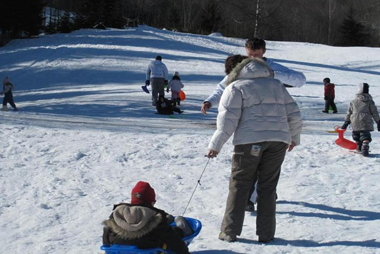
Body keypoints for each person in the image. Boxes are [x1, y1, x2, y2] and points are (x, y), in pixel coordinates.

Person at [206, 56, 302, 243]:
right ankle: (266, 234)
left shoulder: (235, 87)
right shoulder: (276, 85)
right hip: (278, 141)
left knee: (239, 184)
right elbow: (294, 113)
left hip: (249, 143)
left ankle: (229, 231)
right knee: (267, 187)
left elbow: (227, 121)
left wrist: (215, 145)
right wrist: (293, 137)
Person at [201, 37, 306, 115]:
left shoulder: (272, 67)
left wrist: (273, 75)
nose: (252, 58)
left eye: (256, 55)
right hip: (248, 114)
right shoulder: (242, 68)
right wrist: (209, 102)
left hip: (272, 113)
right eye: (250, 55)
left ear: (263, 51)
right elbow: (223, 87)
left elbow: (300, 80)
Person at [102, 181, 193, 254]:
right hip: (148, 250)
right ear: (151, 202)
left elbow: (106, 237)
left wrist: (108, 249)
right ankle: (182, 229)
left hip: (120, 251)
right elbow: (173, 239)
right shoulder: (153, 216)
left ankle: (167, 220)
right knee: (170, 232)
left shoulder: (117, 214)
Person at [340, 83, 380, 157]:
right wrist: (378, 122)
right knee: (365, 134)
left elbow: (349, 112)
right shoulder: (369, 101)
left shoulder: (353, 101)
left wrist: (346, 122)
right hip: (366, 120)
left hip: (355, 120)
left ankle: (358, 145)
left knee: (356, 133)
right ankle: (365, 144)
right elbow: (374, 112)